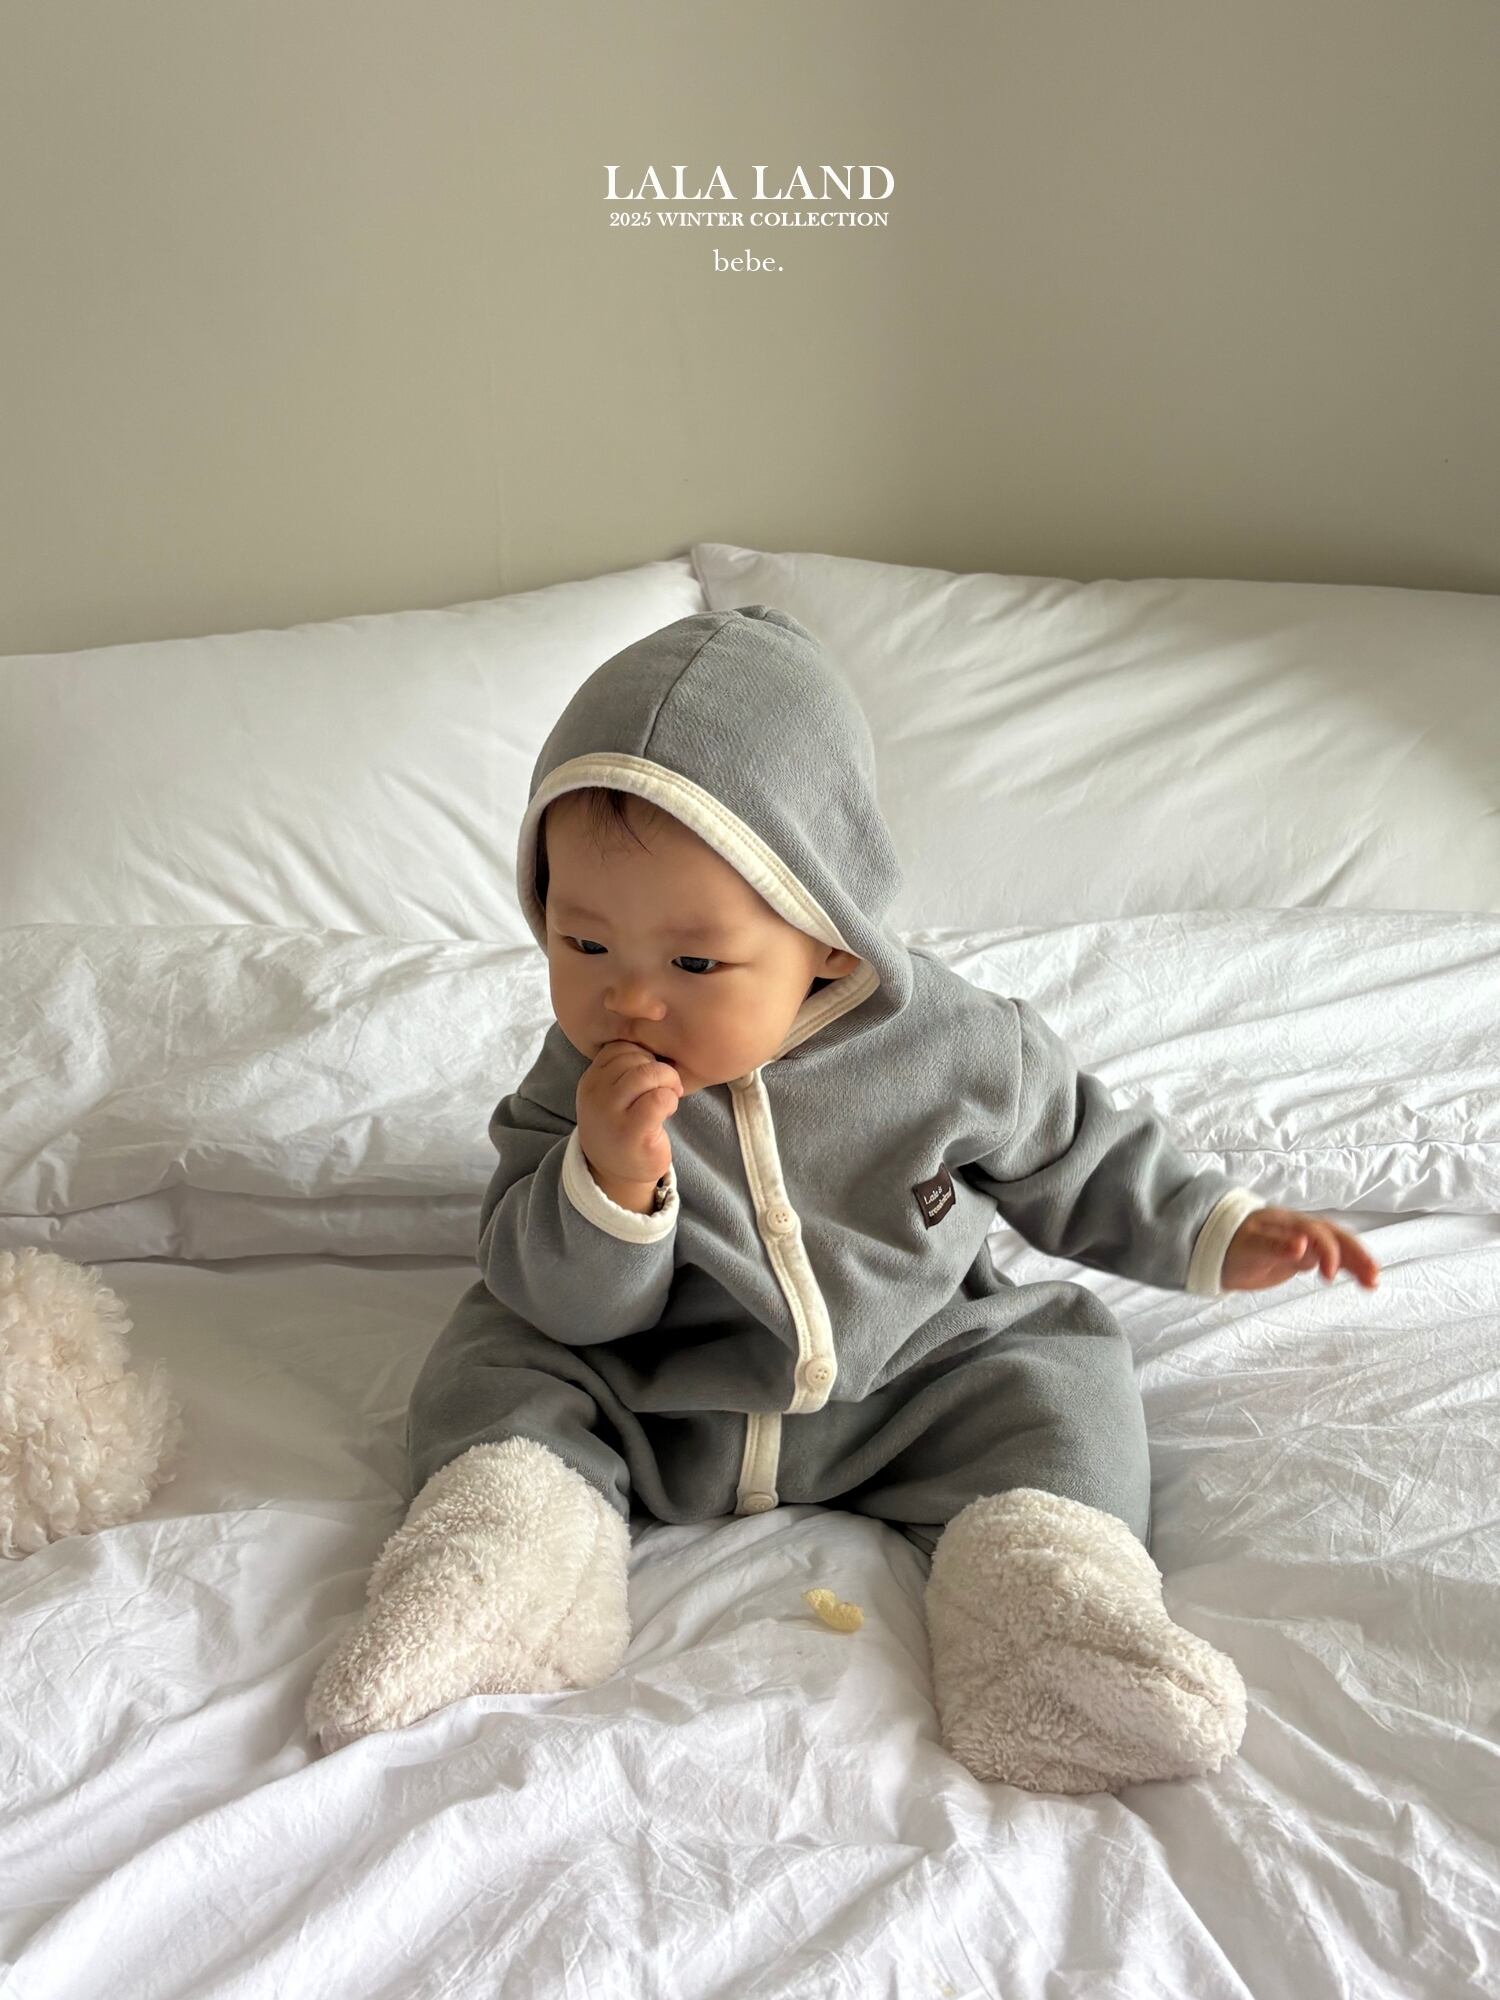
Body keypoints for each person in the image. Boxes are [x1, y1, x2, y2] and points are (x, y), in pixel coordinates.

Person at [306, 606, 1381, 1792]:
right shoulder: (577, 1083)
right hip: (658, 1388)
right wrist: (610, 1178)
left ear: (829, 932)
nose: (630, 1000)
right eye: (584, 943)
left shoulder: (957, 1044)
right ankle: (508, 1573)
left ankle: (1049, 1623)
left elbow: (1081, 1152)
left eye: (694, 962)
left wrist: (1219, 1227)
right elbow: (564, 1299)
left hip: (908, 1385)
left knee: (1060, 1372)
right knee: (496, 1365)